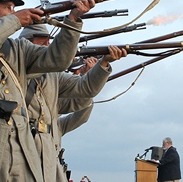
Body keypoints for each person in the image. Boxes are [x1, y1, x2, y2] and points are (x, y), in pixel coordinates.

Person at [0, 0, 96, 182]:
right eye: (8, 8)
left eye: (13, 9)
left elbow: (58, 60)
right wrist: (15, 20)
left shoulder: (19, 48)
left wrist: (73, 19)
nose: (13, 12)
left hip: (21, 140)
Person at [19, 24, 126, 182]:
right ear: (25, 45)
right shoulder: (15, 73)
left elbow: (84, 92)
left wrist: (103, 63)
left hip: (47, 163)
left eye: (49, 44)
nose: (48, 49)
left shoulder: (52, 78)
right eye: (43, 43)